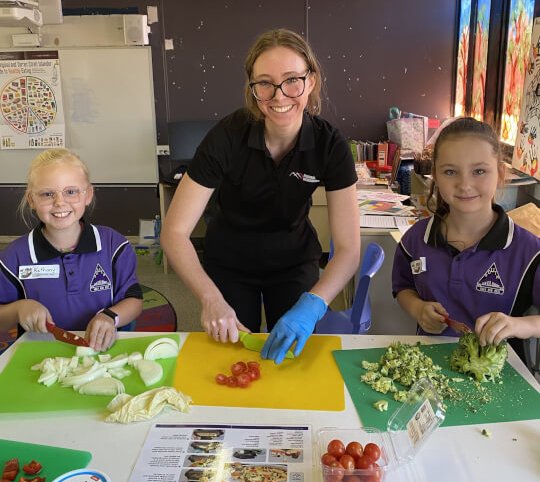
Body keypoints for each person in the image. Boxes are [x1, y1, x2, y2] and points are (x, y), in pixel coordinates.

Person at [161, 28, 360, 364]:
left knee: (293, 360)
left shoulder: (330, 144)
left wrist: (314, 303)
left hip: (294, 261)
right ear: (252, 88)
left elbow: (349, 248)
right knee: (232, 361)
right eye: (264, 83)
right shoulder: (226, 136)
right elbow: (174, 232)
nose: (279, 96)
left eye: (292, 80)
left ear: (311, 81)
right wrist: (210, 298)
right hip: (230, 264)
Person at [392, 117, 540, 359]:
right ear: (435, 177)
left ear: (501, 173)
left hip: (501, 378)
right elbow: (403, 287)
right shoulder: (416, 240)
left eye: (479, 171)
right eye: (450, 172)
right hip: (428, 367)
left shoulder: (529, 252)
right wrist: (418, 309)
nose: (465, 184)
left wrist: (519, 325)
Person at [0, 149, 143, 351]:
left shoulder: (114, 244)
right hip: (42, 354)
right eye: (48, 194)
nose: (59, 202)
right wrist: (18, 309)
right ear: (32, 200)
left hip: (105, 351)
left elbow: (134, 300)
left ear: (88, 195)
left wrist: (110, 317)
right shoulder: (13, 257)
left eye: (71, 191)